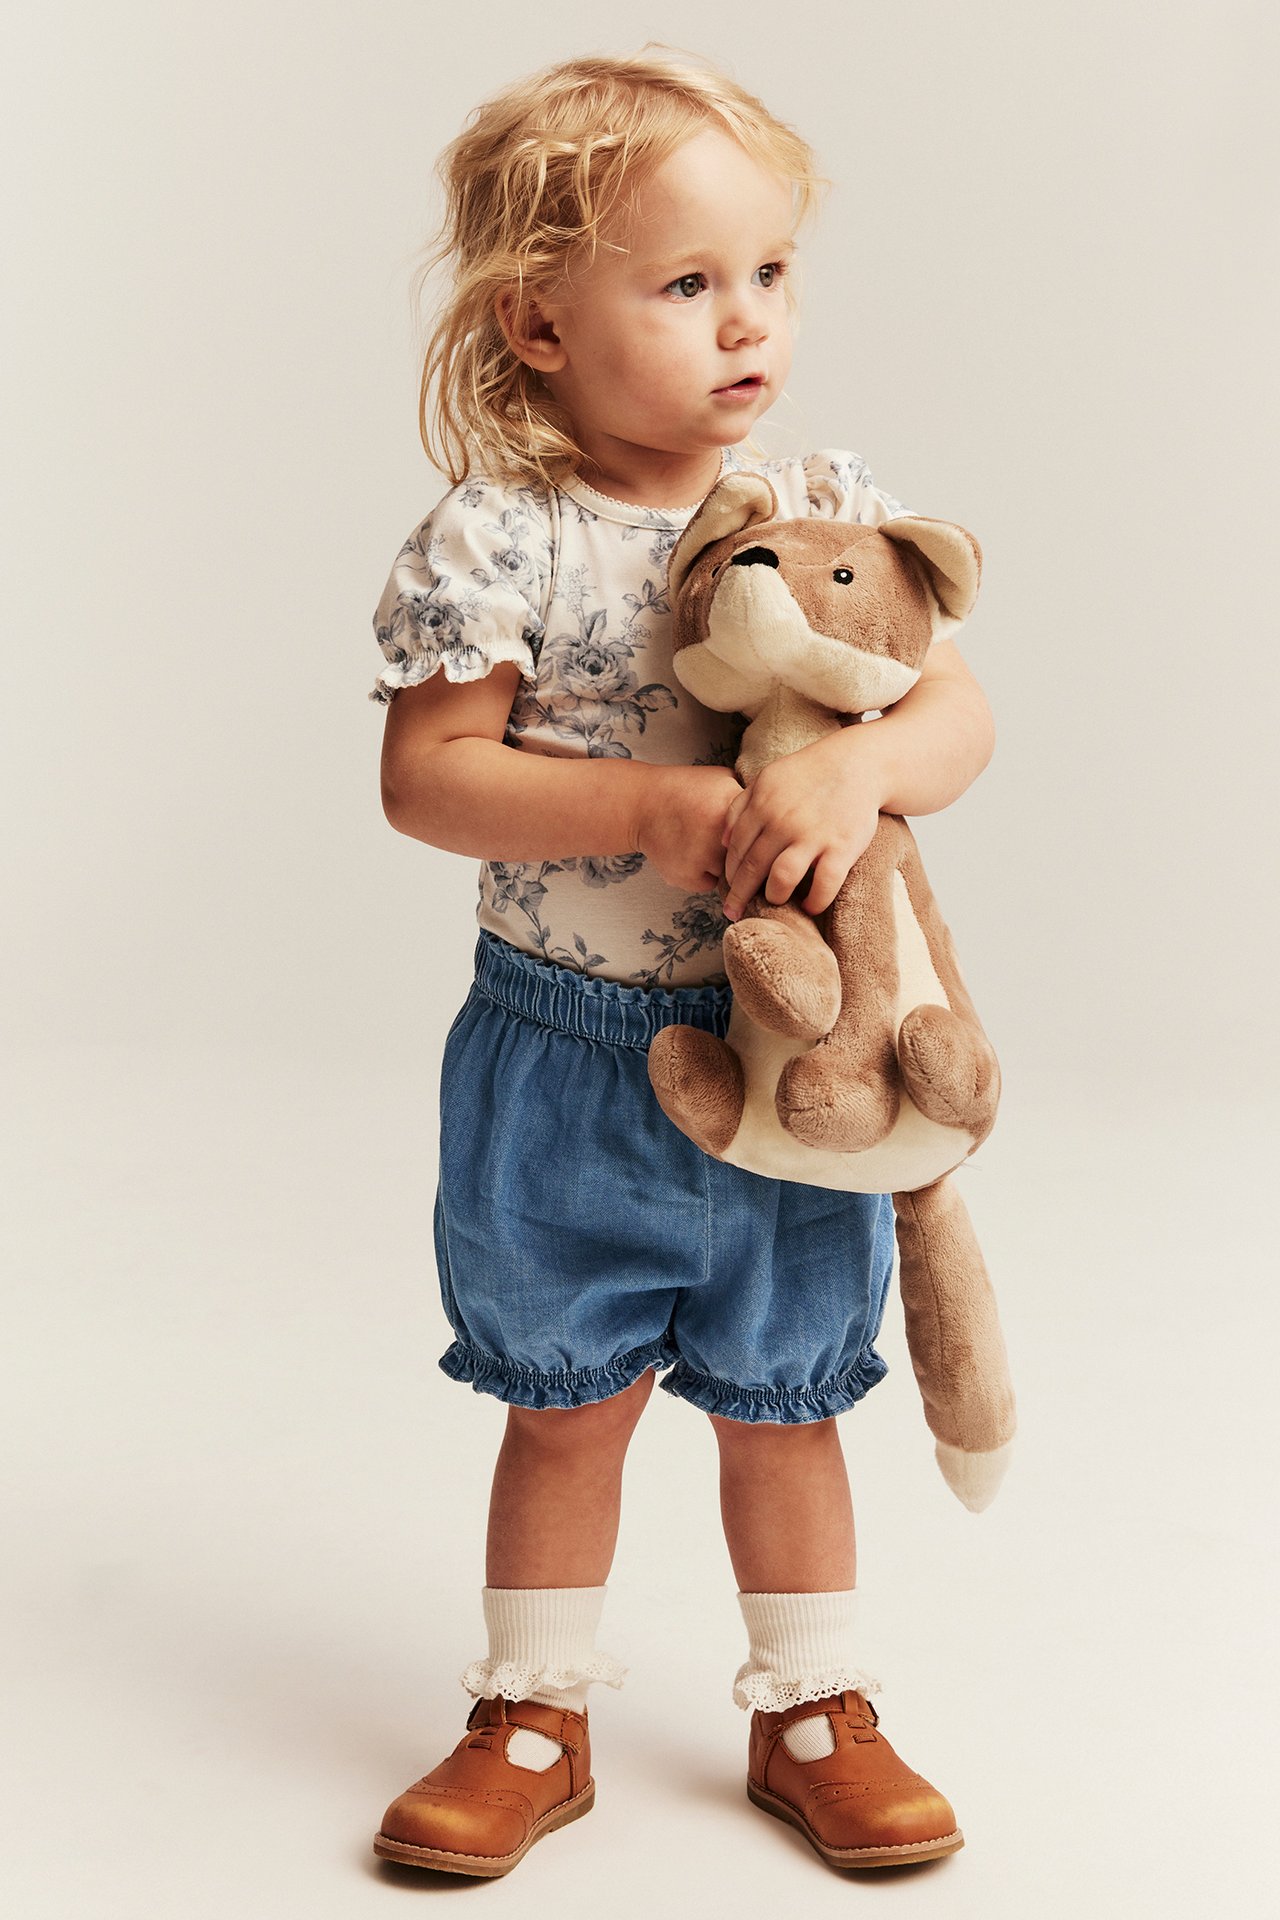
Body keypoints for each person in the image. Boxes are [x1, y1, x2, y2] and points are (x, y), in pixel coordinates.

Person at [367, 50, 995, 1880]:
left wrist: (867, 766)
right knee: (566, 1406)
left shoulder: (822, 506)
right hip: (565, 1057)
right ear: (538, 324)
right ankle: (531, 1710)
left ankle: (813, 1706)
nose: (748, 323)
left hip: (794, 1066)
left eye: (771, 273)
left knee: (786, 1403)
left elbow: (957, 714)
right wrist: (642, 806)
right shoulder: (509, 534)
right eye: (689, 282)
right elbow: (427, 777)